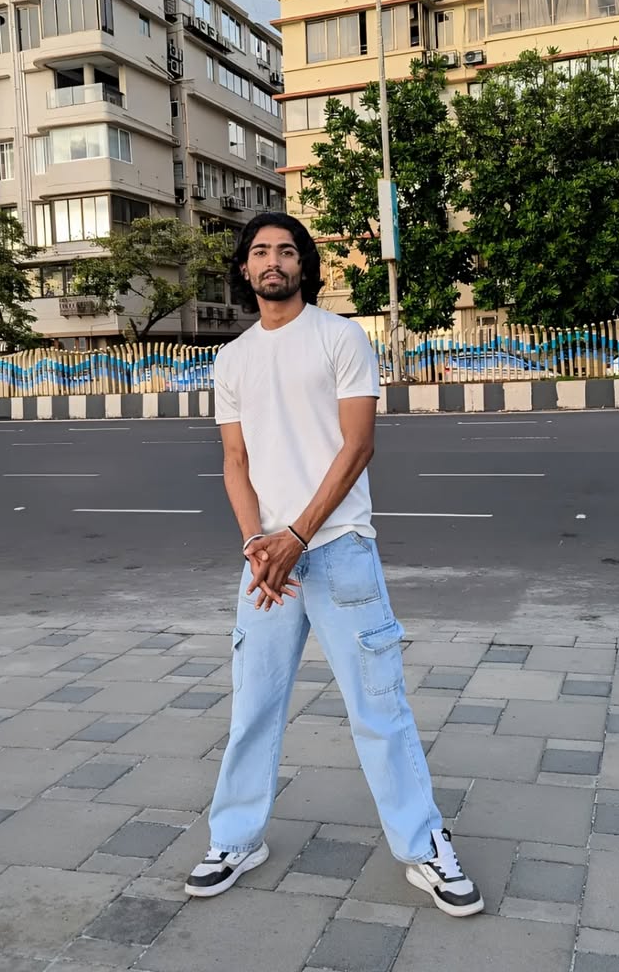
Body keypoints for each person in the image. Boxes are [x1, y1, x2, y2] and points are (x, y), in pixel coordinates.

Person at [185, 212, 482, 918]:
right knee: (253, 707)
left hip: (340, 549)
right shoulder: (233, 359)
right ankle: (235, 840)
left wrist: (297, 536)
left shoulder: (340, 338)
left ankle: (424, 846)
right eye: (260, 251)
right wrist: (257, 544)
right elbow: (234, 461)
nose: (273, 261)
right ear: (245, 268)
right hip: (266, 562)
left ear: (305, 265)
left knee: (380, 708)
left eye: (287, 250)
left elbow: (357, 448)